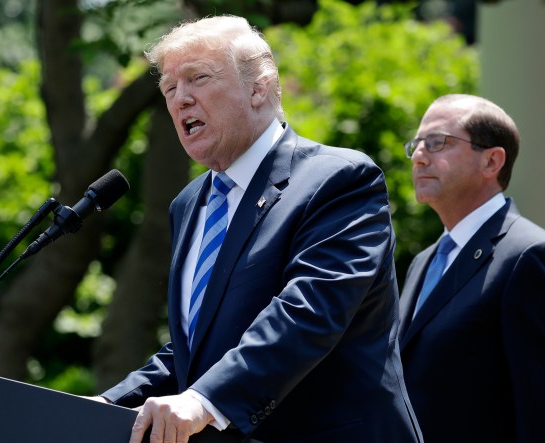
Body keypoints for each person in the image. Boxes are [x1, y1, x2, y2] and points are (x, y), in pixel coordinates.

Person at [92, 15, 423, 443]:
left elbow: (307, 313)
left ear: (258, 87)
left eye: (197, 78)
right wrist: (107, 404)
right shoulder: (189, 204)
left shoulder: (339, 180)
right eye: (170, 89)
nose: (180, 100)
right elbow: (195, 349)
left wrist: (201, 401)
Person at [398, 94, 545, 442]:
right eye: (417, 144)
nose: (420, 156)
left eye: (437, 142)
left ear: (492, 161)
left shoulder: (531, 257)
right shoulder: (423, 262)